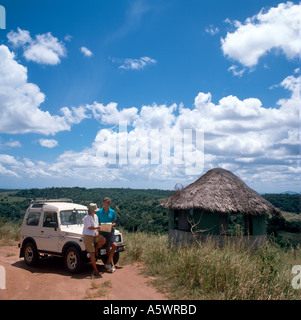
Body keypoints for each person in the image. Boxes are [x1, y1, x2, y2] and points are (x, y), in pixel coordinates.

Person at [83, 203, 106, 276]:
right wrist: (97, 228)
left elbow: (96, 226)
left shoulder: (95, 216)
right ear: (90, 210)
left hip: (94, 234)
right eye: (94, 210)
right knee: (92, 253)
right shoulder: (86, 218)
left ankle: (96, 248)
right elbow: (89, 227)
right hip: (88, 235)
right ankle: (96, 270)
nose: (95, 211)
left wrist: (97, 231)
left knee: (103, 240)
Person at [96, 197, 117, 272]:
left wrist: (111, 225)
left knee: (114, 245)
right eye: (104, 203)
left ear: (109, 204)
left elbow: (114, 222)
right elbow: (96, 222)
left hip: (110, 231)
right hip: (102, 231)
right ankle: (111, 265)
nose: (105, 205)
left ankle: (108, 263)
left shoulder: (112, 212)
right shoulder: (99, 212)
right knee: (107, 248)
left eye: (106, 203)